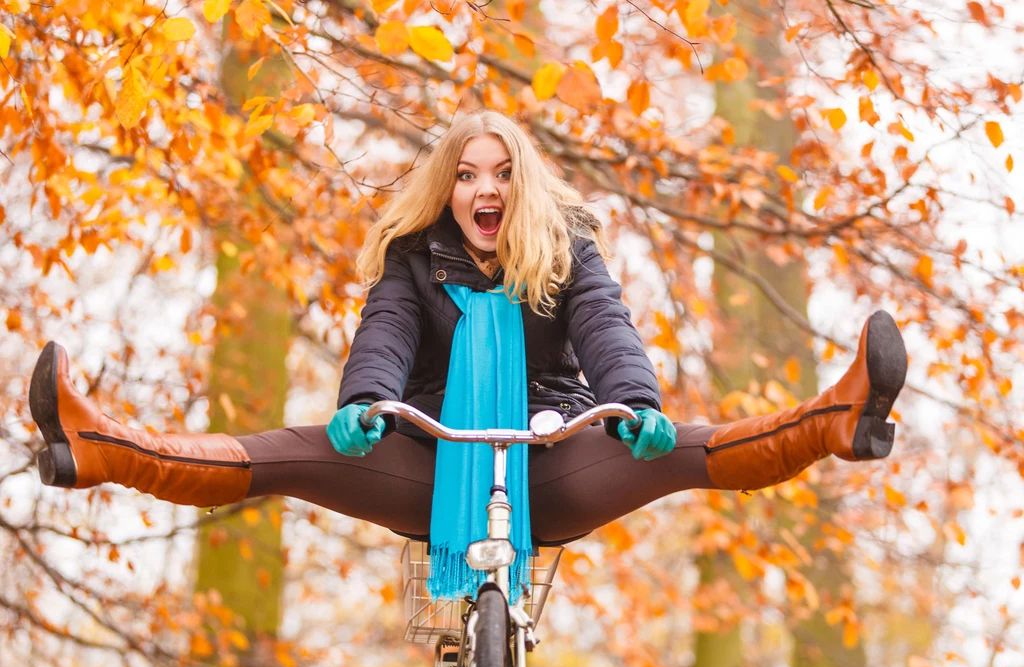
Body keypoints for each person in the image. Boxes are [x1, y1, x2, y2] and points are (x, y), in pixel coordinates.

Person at [29, 110, 907, 553]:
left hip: (553, 451)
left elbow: (606, 327)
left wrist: (634, 404)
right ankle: (99, 445)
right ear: (448, 190)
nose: (485, 189)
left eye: (501, 172)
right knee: (278, 453)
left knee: (686, 447)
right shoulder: (414, 259)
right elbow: (387, 332)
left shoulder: (568, 252)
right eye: (465, 174)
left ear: (522, 185)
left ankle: (844, 417)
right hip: (430, 451)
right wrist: (367, 401)